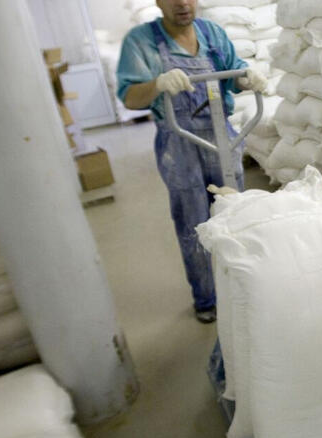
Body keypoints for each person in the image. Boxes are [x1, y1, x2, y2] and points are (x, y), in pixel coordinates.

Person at [116, 0, 266, 323]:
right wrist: (157, 84)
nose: (182, 3)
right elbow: (129, 96)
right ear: (158, 1)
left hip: (221, 136)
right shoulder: (141, 42)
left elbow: (234, 70)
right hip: (179, 141)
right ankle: (207, 299)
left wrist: (247, 78)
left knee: (236, 213)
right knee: (193, 223)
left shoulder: (211, 33)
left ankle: (243, 288)